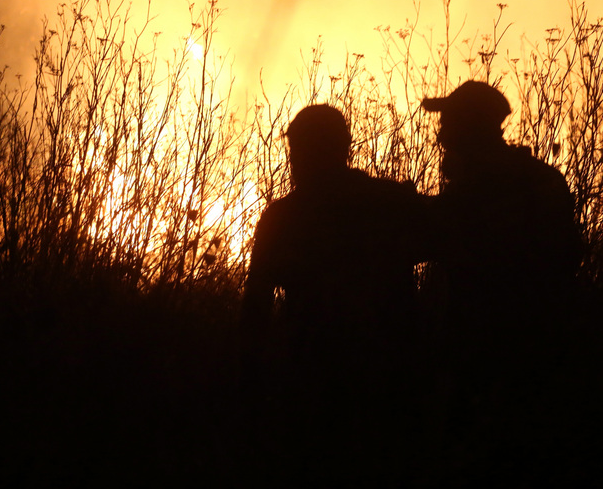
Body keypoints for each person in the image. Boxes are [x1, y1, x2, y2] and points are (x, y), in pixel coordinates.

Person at [240, 104, 424, 483]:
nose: (294, 162)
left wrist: (251, 387)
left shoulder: (284, 217)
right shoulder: (390, 202)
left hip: (320, 385)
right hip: (383, 383)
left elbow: (254, 311)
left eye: (300, 151)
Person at [421, 80, 581, 483]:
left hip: (488, 366)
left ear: (469, 128)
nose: (440, 135)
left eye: (449, 123)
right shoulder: (543, 180)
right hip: (543, 358)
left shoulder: (476, 193)